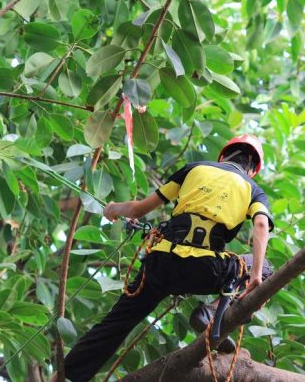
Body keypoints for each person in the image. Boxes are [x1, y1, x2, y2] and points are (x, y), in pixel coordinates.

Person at [61, 134, 274, 382]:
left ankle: (62, 377)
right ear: (252, 168)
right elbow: (261, 224)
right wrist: (256, 276)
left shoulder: (194, 169)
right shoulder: (253, 189)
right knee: (266, 268)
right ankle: (211, 313)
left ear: (224, 156)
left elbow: (139, 208)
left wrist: (115, 208)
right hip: (205, 269)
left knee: (115, 324)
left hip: (161, 264)